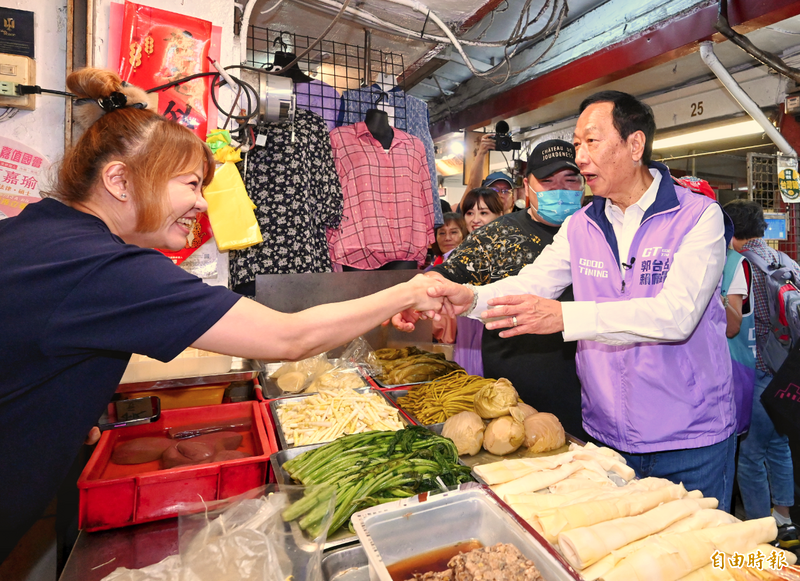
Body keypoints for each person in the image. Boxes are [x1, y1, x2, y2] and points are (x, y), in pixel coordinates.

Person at [0, 68, 451, 563]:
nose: (200, 203)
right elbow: (291, 337)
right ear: (119, 180)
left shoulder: (43, 230)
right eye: (191, 184)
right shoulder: (104, 267)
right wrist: (408, 289)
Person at [414, 90, 738, 510]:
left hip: (689, 438)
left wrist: (566, 317)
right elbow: (533, 284)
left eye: (591, 141)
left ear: (634, 145)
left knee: (707, 564)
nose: (580, 157)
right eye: (577, 144)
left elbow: (676, 316)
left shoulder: (698, 217)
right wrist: (470, 299)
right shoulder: (581, 225)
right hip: (606, 437)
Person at [419, 140, 587, 439]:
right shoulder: (498, 234)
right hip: (517, 384)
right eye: (547, 182)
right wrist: (412, 296)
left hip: (587, 385)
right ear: (527, 186)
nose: (559, 190)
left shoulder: (595, 230)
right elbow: (446, 273)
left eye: (570, 180)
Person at [723, 200, 798, 543]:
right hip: (788, 372)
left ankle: (758, 529)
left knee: (751, 455)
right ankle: (784, 519)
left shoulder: (741, 264)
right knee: (779, 444)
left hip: (759, 371)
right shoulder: (785, 261)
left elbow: (735, 327)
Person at [448, 188, 504, 375]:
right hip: (466, 331)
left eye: (484, 213)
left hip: (497, 330)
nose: (475, 219)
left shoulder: (511, 254)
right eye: (470, 213)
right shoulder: (455, 257)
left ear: (500, 215)